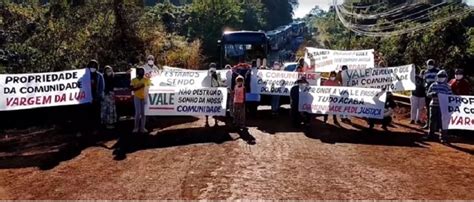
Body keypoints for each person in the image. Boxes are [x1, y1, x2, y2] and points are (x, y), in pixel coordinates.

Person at [424, 70, 452, 143]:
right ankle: (430, 136)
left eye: (443, 76)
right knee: (432, 121)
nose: (441, 78)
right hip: (433, 105)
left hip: (443, 107)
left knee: (442, 122)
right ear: (437, 77)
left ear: (446, 77)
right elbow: (427, 94)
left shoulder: (448, 86)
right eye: (440, 76)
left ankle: (443, 137)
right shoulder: (433, 85)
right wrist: (433, 94)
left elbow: (450, 96)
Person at [130, 68, 152, 133]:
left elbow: (150, 88)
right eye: (140, 71)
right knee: (137, 113)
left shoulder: (146, 80)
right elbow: (132, 89)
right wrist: (140, 87)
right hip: (137, 97)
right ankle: (136, 128)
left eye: (142, 71)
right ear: (137, 72)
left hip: (144, 97)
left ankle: (142, 128)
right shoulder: (133, 80)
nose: (141, 72)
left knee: (143, 113)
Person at [422, 59, 440, 129]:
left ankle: (437, 125)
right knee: (428, 108)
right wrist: (425, 87)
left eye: (431, 64)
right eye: (428, 64)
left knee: (436, 109)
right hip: (428, 92)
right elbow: (424, 81)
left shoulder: (438, 72)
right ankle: (428, 123)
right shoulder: (426, 72)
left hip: (436, 92)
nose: (429, 65)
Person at [205, 63, 224, 127]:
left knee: (215, 108)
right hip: (209, 94)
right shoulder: (206, 75)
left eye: (213, 67)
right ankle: (207, 121)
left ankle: (215, 122)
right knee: (207, 108)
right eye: (211, 66)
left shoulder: (217, 75)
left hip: (215, 94)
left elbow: (220, 83)